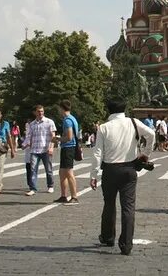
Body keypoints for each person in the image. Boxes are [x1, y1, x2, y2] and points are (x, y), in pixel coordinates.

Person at [91, 98, 155, 256]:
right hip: (129, 169)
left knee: (109, 204)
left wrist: (93, 174)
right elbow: (151, 134)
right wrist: (145, 154)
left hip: (110, 170)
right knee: (128, 207)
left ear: (109, 110)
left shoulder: (104, 127)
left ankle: (107, 237)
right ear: (124, 109)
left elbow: (97, 152)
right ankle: (126, 244)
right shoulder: (133, 122)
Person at [23, 105, 56, 196]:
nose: (40, 113)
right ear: (35, 112)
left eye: (42, 111)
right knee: (33, 170)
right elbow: (30, 137)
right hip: (34, 150)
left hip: (45, 149)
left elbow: (53, 136)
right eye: (39, 111)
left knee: (48, 169)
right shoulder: (32, 124)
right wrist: (25, 145)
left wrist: (51, 147)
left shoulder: (49, 122)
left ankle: (50, 185)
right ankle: (33, 188)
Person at [56, 100, 80, 204]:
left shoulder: (67, 120)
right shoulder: (72, 118)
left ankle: (74, 196)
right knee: (62, 172)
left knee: (69, 172)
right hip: (68, 147)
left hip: (68, 148)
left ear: (62, 108)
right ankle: (63, 195)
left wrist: (58, 139)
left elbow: (69, 137)